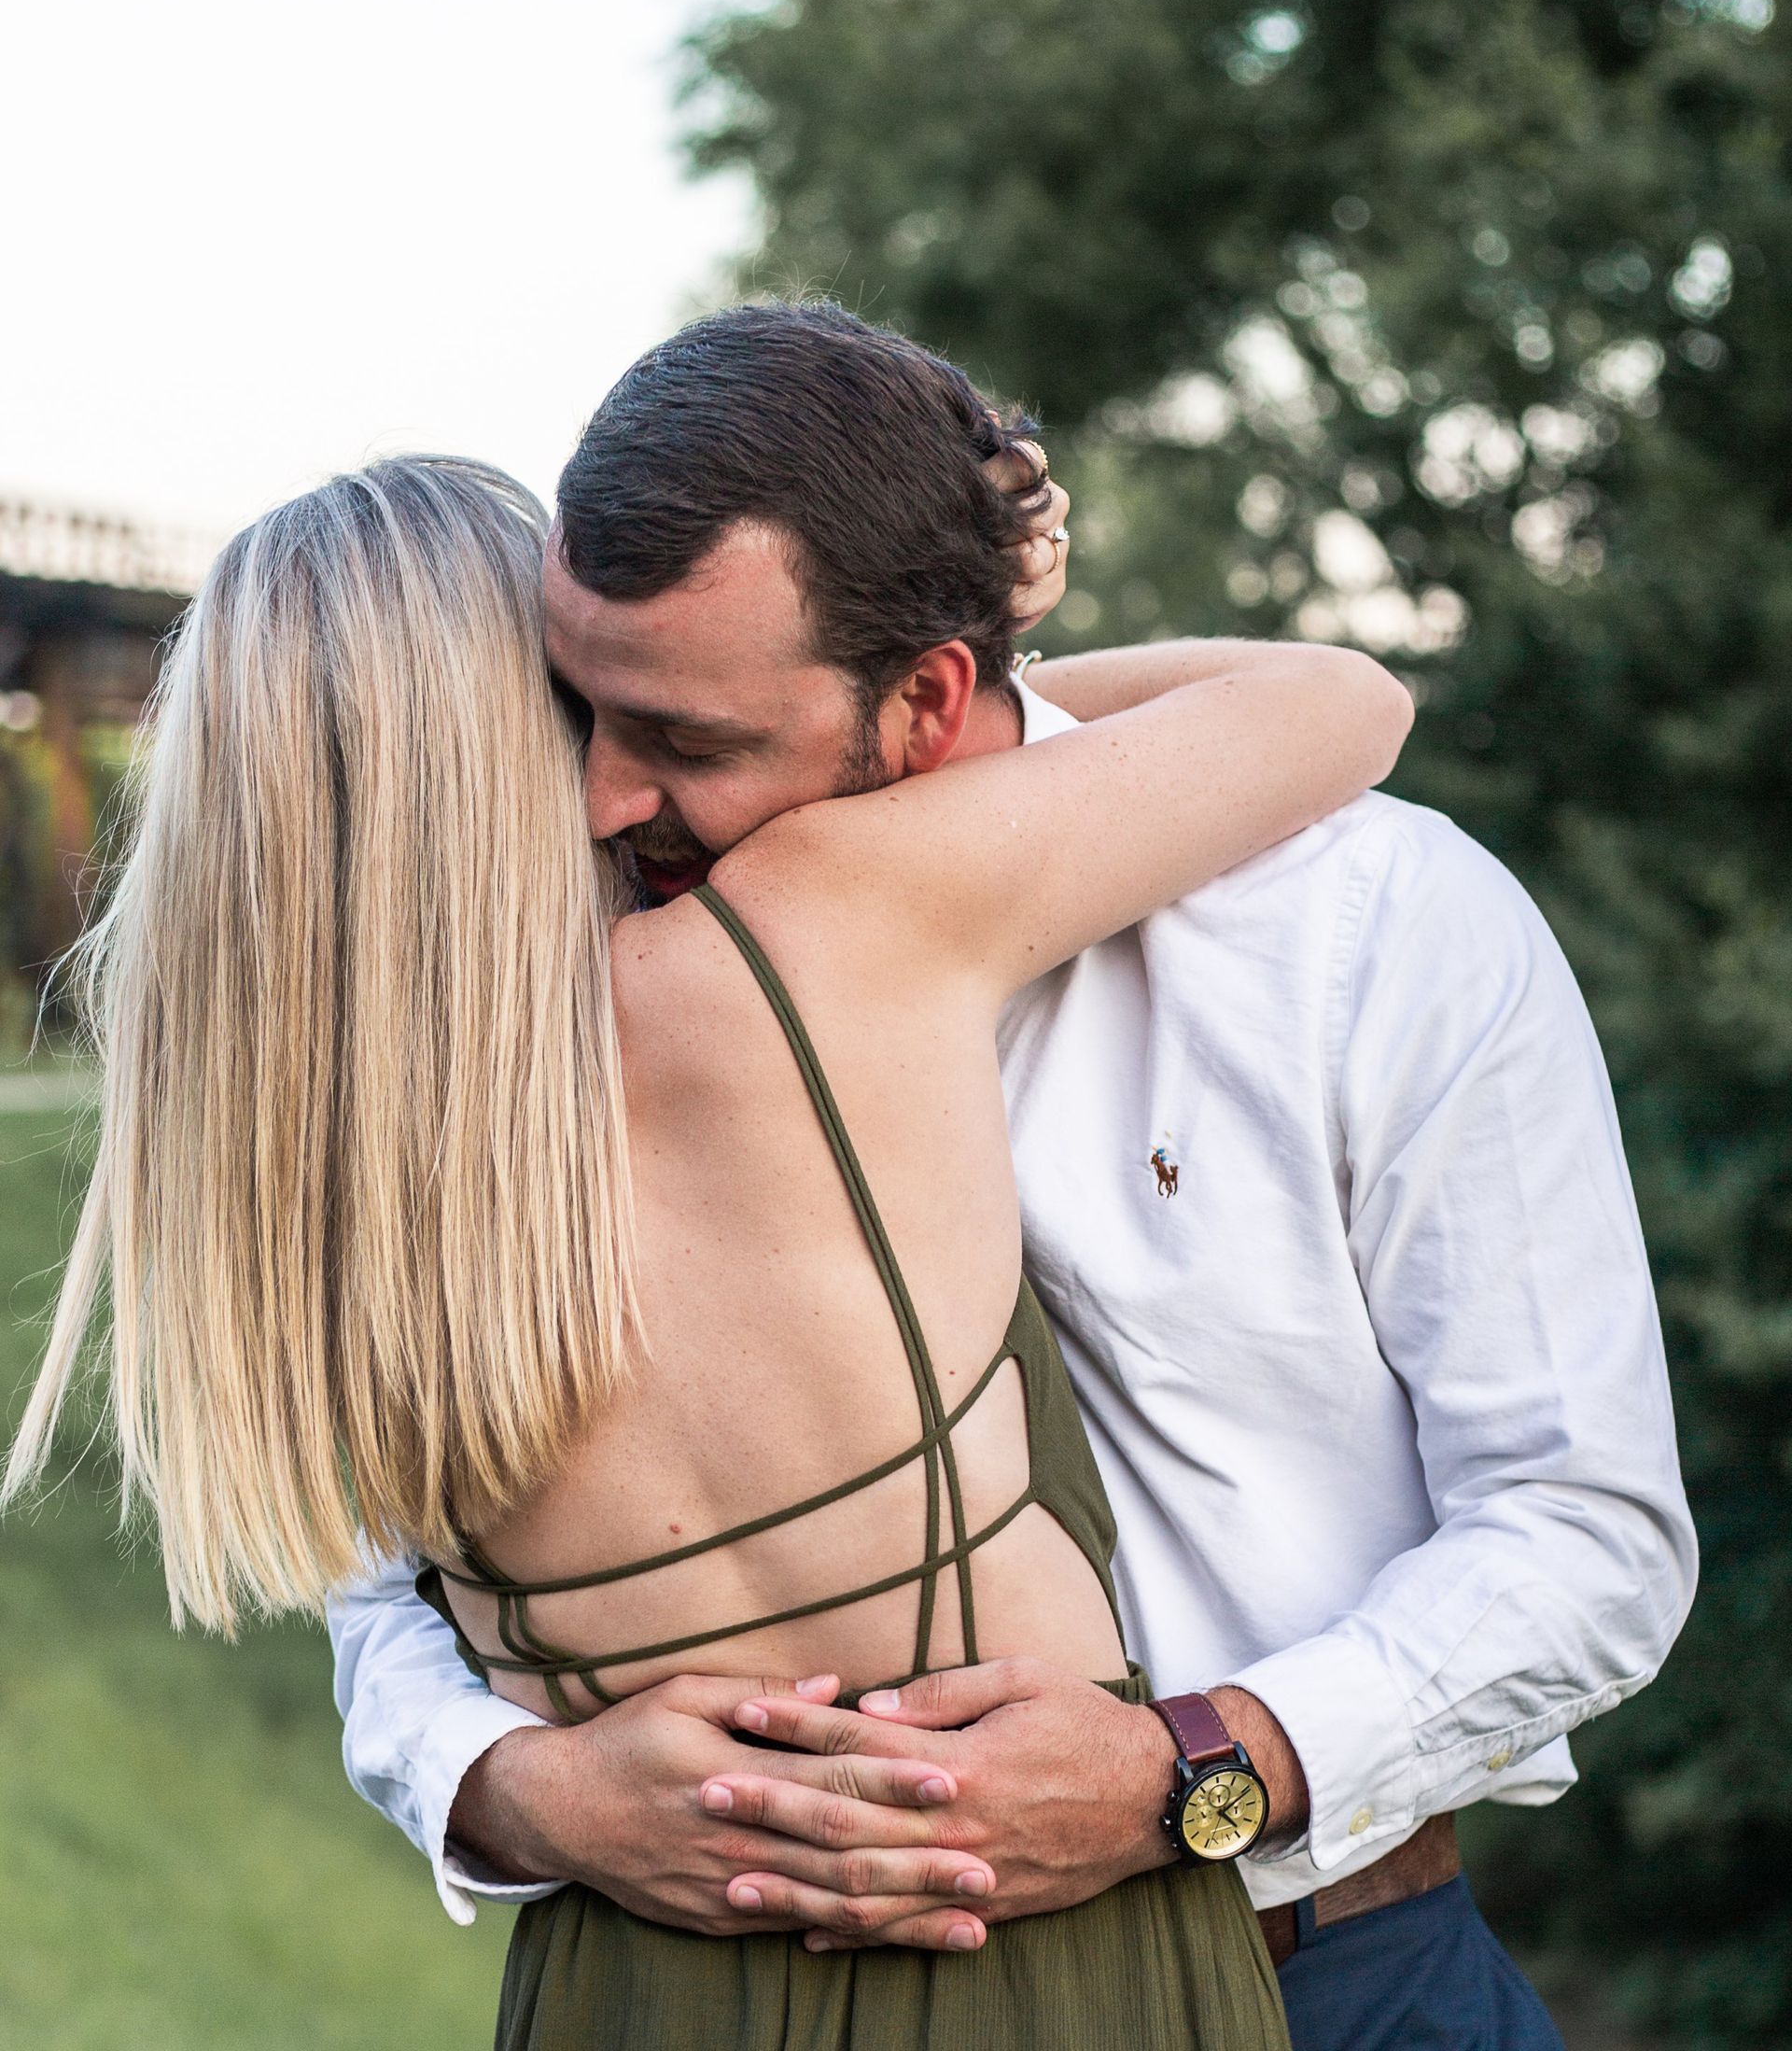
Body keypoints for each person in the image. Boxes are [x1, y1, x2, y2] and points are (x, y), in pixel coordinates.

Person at [331, 304, 1697, 2051]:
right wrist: (509, 1789)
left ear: (928, 701)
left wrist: (1187, 1775)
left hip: (1335, 1978)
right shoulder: (575, 970)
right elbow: (381, 1549)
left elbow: (1589, 1538)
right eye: (579, 711)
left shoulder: (1367, 925)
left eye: (684, 739)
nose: (603, 799)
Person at [3, 422, 1414, 2050]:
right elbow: (1341, 706)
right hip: (1023, 1944)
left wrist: (518, 1794)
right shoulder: (825, 931)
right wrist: (929, 660)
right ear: (528, 716)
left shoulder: (273, 1174)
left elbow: (381, 1600)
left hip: (633, 1972)